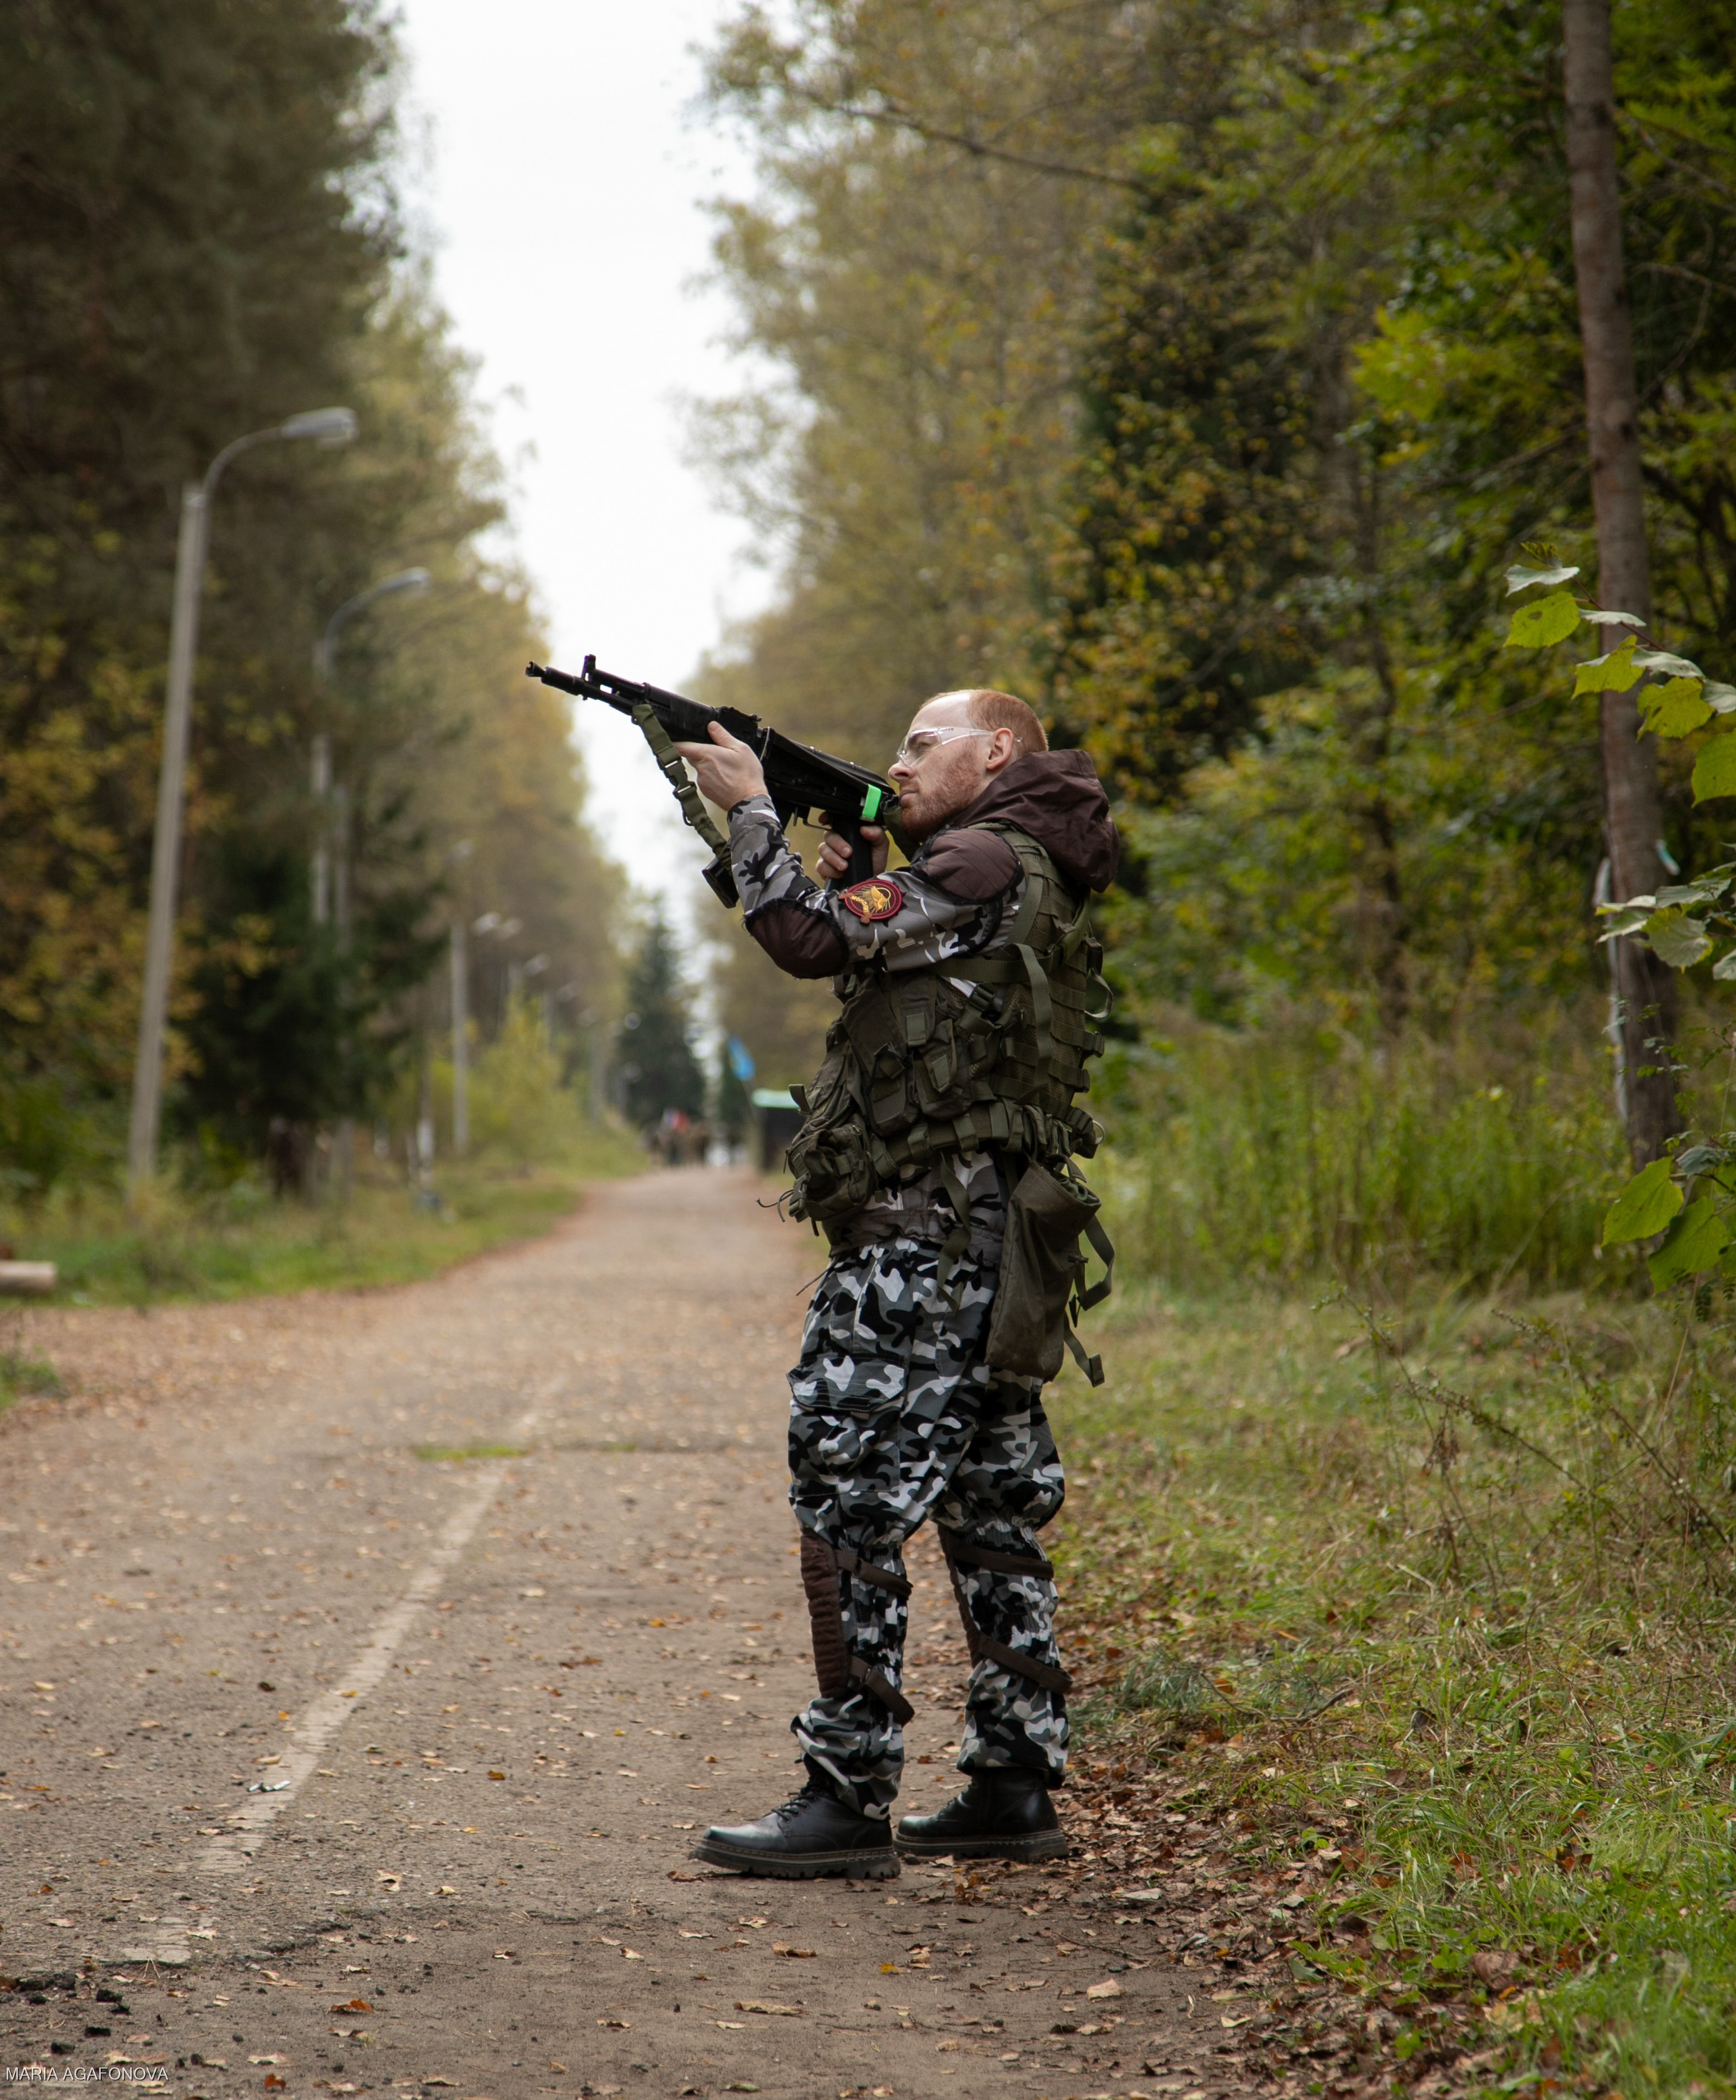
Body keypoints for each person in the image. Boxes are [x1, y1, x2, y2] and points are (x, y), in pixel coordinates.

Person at [673, 686, 1118, 1880]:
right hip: (997, 1252)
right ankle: (1013, 1783)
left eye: (927, 744)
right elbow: (877, 945)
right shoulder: (1023, 859)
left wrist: (753, 814)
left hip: (923, 1254)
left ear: (1000, 750)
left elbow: (810, 939)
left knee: (850, 1507)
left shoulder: (976, 857)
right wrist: (859, 860)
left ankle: (846, 1792)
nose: (901, 761)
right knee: (988, 1512)